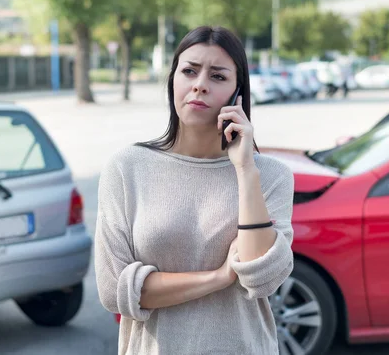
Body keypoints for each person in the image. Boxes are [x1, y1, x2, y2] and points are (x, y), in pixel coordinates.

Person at [94, 25, 294, 355]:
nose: (200, 85)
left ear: (237, 94)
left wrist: (245, 170)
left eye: (217, 77)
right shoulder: (127, 168)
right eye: (189, 71)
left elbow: (262, 279)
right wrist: (217, 277)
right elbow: (115, 290)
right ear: (173, 79)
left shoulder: (271, 176)